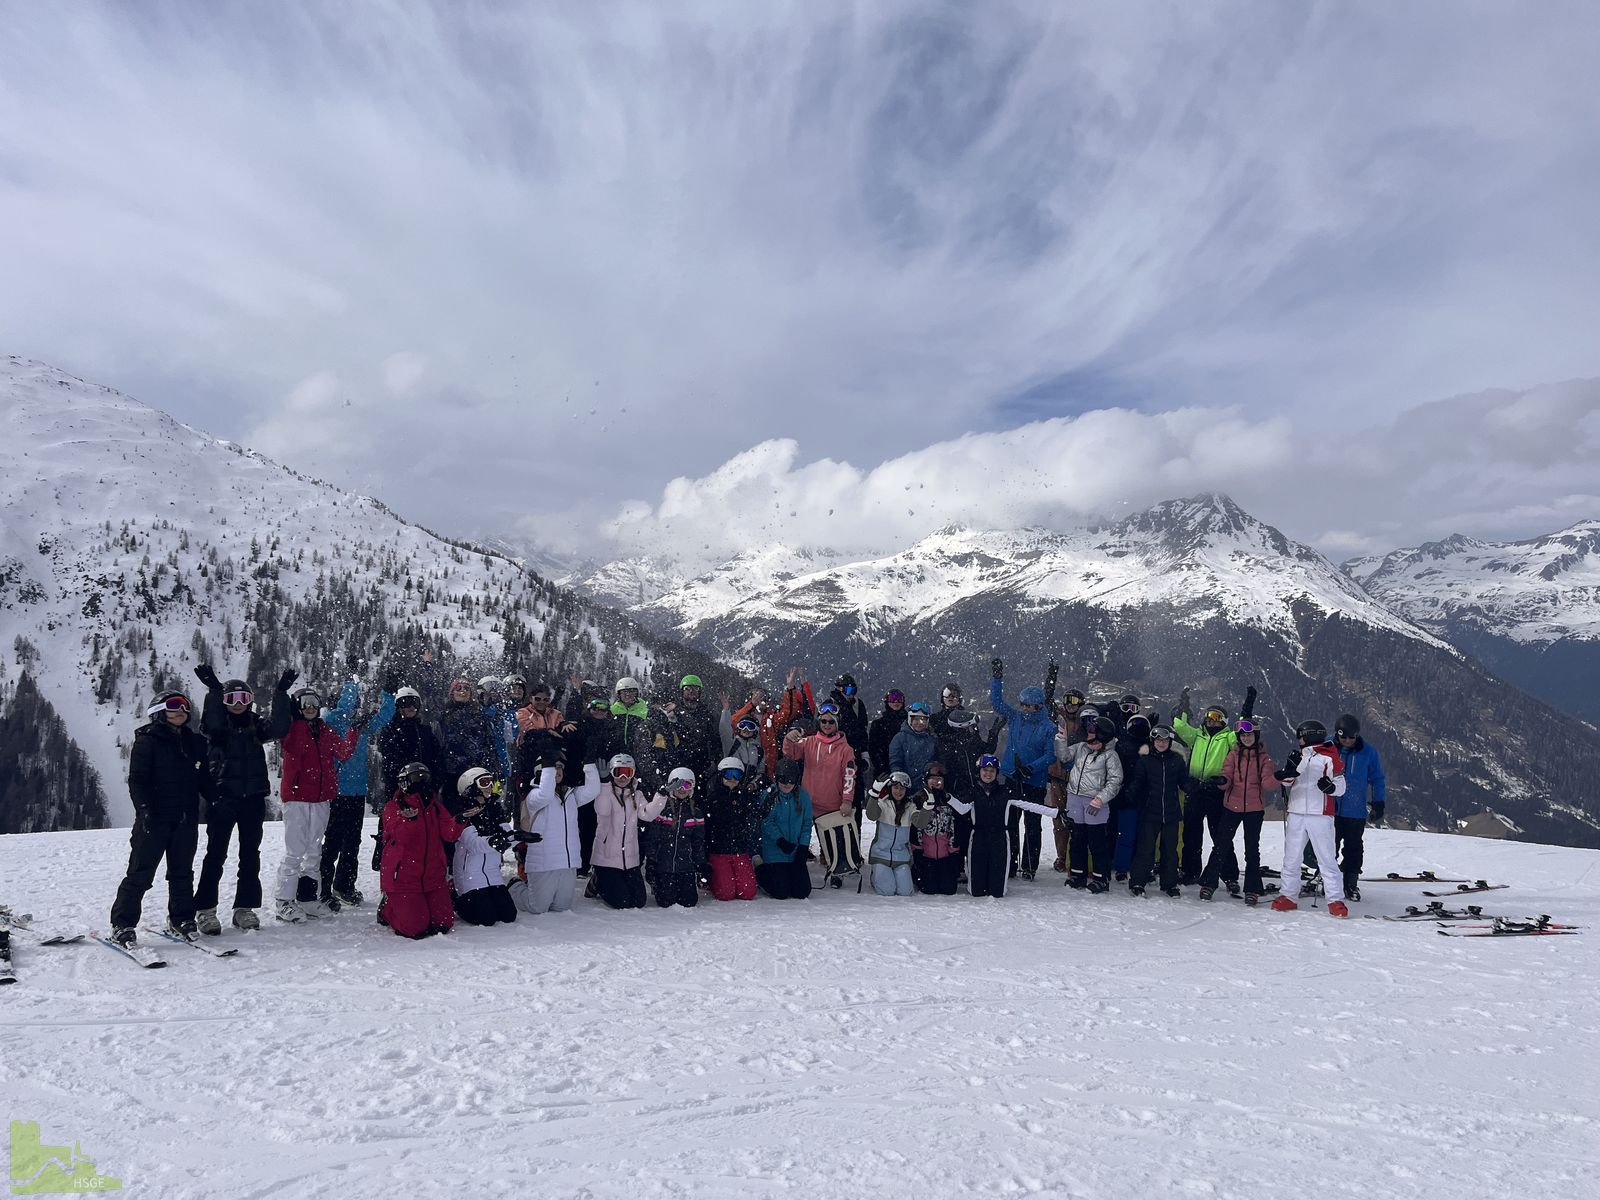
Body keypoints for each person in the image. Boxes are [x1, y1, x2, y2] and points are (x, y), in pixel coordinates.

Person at [108, 691, 216, 948]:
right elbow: (138, 780)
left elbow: (204, 780)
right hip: (154, 819)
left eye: (184, 707)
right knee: (140, 874)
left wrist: (217, 799)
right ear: (158, 711)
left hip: (185, 818)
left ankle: (181, 919)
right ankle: (122, 924)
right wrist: (144, 809)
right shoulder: (148, 741)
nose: (180, 711)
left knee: (181, 873)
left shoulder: (195, 742)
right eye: (173, 707)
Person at [192, 665, 293, 934]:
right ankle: (206, 910)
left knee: (250, 855)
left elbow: (281, 727)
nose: (238, 705)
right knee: (216, 855)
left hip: (252, 799)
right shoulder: (216, 728)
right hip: (223, 799)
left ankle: (244, 909)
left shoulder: (256, 726)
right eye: (231, 699)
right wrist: (214, 690)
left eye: (244, 700)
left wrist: (281, 692)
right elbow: (212, 720)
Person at [275, 688, 358, 922]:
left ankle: (308, 899)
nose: (310, 707)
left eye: (314, 703)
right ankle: (284, 901)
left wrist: (354, 730)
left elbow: (342, 753)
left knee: (314, 851)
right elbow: (290, 742)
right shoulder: (291, 730)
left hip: (321, 798)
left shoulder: (325, 730)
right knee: (295, 851)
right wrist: (289, 711)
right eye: (305, 703)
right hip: (297, 798)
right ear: (298, 707)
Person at [320, 675, 396, 908]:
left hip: (356, 793)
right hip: (337, 793)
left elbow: (384, 717)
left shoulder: (359, 727)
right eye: (351, 703)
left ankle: (344, 886)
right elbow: (344, 709)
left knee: (352, 842)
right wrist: (352, 682)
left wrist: (388, 695)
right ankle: (323, 889)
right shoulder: (333, 720)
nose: (353, 708)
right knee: (332, 842)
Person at [1171, 686, 1257, 884]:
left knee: (1220, 835)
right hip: (1195, 790)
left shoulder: (1227, 737)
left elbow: (1242, 730)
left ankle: (1229, 875)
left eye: (1217, 717)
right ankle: (1190, 871)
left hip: (1216, 791)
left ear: (1224, 722)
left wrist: (1247, 708)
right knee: (1191, 834)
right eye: (1210, 716)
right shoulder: (1197, 736)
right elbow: (1180, 727)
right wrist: (1184, 706)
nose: (1212, 720)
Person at [509, 740, 602, 915]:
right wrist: (547, 763)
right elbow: (545, 793)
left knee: (562, 908)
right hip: (544, 863)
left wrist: (589, 764)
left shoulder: (570, 795)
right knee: (538, 907)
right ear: (541, 771)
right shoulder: (534, 796)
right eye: (552, 767)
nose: (557, 771)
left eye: (559, 767)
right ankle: (514, 886)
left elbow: (593, 790)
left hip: (568, 862)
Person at [948, 754, 1056, 898]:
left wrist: (1056, 812)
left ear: (997, 773)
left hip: (999, 839)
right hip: (978, 838)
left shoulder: (1005, 792)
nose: (988, 774)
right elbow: (962, 808)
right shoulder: (973, 791)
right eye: (985, 770)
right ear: (979, 771)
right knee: (976, 891)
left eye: (992, 771)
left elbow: (1031, 805)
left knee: (997, 892)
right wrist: (947, 798)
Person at [377, 762, 465, 939]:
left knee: (443, 923)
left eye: (424, 778)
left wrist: (460, 820)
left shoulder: (434, 807)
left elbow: (448, 834)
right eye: (417, 778)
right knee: (414, 928)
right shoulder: (393, 807)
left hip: (432, 876)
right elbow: (401, 836)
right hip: (404, 879)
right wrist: (410, 821)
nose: (422, 783)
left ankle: (420, 904)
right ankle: (388, 908)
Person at [1271, 720, 1349, 917]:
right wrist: (1286, 774)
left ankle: (1335, 899)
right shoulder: (1299, 756)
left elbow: (1341, 784)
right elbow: (1289, 782)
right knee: (1292, 856)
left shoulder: (1330, 757)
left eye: (1300, 736)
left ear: (1309, 735)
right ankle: (1288, 895)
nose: (1298, 739)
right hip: (1296, 811)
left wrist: (1331, 788)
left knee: (1326, 857)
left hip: (1320, 813)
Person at [988, 659, 1056, 880]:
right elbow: (996, 702)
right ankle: (1010, 861)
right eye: (1023, 704)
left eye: (1029, 705)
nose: (1025, 709)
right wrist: (997, 678)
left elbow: (1050, 755)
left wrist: (1030, 768)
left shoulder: (1048, 727)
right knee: (1009, 824)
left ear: (1038, 706)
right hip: (1011, 778)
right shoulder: (1016, 717)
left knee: (1033, 825)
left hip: (1033, 782)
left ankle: (1029, 866)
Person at [1200, 719, 1276, 903]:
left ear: (1255, 736)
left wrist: (1279, 777)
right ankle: (1209, 884)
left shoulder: (1264, 758)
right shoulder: (1233, 755)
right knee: (1221, 845)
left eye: (1249, 735)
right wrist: (1220, 782)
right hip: (1231, 806)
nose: (1246, 738)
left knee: (1251, 850)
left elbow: (1268, 784)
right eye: (1243, 735)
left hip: (1254, 809)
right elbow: (1227, 777)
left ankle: (1252, 888)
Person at [782, 703, 859, 885]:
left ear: (837, 723)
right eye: (823, 721)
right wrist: (788, 738)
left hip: (832, 803)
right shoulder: (809, 742)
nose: (826, 724)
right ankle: (795, 870)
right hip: (808, 801)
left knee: (834, 842)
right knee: (801, 837)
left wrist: (847, 800)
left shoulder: (845, 749)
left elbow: (849, 777)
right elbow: (790, 754)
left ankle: (836, 872)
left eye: (831, 722)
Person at [1056, 716, 1124, 892]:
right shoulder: (1081, 748)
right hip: (1075, 798)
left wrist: (1100, 799)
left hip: (1095, 803)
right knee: (1077, 839)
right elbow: (1063, 756)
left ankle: (1101, 878)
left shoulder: (1110, 756)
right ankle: (1078, 875)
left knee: (1097, 842)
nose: (1089, 738)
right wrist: (1061, 737)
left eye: (1093, 735)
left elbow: (1115, 781)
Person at [448, 768, 520, 927]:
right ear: (470, 786)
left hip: (492, 873)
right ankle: (456, 897)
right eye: (484, 782)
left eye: (491, 782)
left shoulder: (494, 809)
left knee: (508, 915)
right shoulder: (464, 812)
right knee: (485, 918)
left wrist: (519, 836)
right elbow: (474, 845)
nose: (489, 786)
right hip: (470, 876)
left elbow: (507, 835)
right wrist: (496, 840)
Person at [586, 754, 659, 910]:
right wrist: (604, 783)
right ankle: (598, 880)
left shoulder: (637, 795)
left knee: (639, 901)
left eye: (628, 772)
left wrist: (662, 796)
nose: (623, 777)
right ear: (611, 773)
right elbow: (602, 810)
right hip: (606, 858)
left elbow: (647, 814)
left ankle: (614, 882)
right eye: (619, 772)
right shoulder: (604, 791)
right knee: (622, 902)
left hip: (629, 860)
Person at [1126, 725, 1187, 897]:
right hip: (1150, 811)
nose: (1161, 743)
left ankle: (1170, 884)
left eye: (1165, 740)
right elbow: (1138, 781)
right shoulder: (1145, 760)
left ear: (1170, 742)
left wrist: (1195, 787)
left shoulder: (1176, 760)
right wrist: (1129, 793)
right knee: (1145, 849)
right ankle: (1138, 882)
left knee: (1170, 850)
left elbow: (1183, 782)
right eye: (1158, 740)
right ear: (1153, 741)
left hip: (1171, 812)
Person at [1332, 714, 1386, 901]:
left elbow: (1377, 779)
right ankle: (1329, 881)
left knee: (1354, 848)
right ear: (1337, 734)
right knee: (1329, 847)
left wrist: (1379, 802)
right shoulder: (1327, 748)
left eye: (1351, 737)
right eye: (1343, 737)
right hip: (1331, 808)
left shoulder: (1368, 752)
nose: (1347, 741)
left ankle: (1350, 882)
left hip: (1355, 810)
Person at [644, 767, 706, 908]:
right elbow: (653, 839)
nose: (682, 789)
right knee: (666, 901)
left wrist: (701, 864)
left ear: (692, 787)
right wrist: (651, 863)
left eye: (687, 785)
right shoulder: (662, 811)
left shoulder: (696, 813)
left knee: (689, 901)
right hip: (664, 866)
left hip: (686, 867)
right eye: (678, 785)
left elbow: (698, 842)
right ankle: (659, 885)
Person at [705, 757, 763, 901]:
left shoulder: (744, 798)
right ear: (721, 775)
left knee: (748, 892)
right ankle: (714, 879)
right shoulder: (712, 799)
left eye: (736, 775)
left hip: (739, 850)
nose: (732, 779)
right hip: (719, 851)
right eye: (728, 774)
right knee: (726, 893)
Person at [755, 758, 813, 900]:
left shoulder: (803, 796)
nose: (787, 784)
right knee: (780, 892)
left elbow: (807, 823)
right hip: (775, 850)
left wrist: (803, 847)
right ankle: (759, 868)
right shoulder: (769, 795)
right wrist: (780, 840)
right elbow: (767, 821)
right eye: (783, 779)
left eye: (791, 780)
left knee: (802, 892)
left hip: (795, 849)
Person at [439, 676, 511, 787]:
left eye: (466, 688)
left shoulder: (479, 715)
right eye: (458, 688)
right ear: (452, 693)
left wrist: (496, 769)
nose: (463, 691)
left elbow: (489, 744)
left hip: (478, 770)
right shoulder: (443, 715)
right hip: (452, 772)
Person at [1109, 712, 1151, 881]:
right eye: (1135, 725)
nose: (1138, 729)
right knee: (1126, 835)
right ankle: (1121, 866)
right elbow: (1117, 772)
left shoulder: (1152, 746)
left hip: (1146, 798)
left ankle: (1141, 867)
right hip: (1126, 797)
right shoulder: (1122, 746)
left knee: (1144, 837)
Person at [1047, 688, 1085, 874]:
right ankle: (1062, 857)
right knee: (1059, 819)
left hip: (1079, 778)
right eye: (1068, 700)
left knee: (1078, 819)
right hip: (1058, 775)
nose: (1071, 703)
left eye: (1075, 700)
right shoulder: (1057, 719)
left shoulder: (1085, 721)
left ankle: (1076, 857)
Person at [865, 772, 923, 896]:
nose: (898, 791)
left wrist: (927, 808)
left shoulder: (910, 807)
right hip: (881, 855)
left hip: (901, 857)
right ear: (890, 788)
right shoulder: (883, 804)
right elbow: (871, 815)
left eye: (902, 788)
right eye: (895, 788)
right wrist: (874, 793)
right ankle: (875, 875)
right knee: (887, 891)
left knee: (906, 891)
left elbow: (920, 823)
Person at [912, 763, 962, 896]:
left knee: (949, 889)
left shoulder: (949, 799)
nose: (935, 782)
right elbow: (915, 828)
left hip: (946, 855)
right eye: (932, 778)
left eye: (939, 779)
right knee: (928, 888)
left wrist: (954, 853)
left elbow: (954, 827)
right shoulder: (918, 799)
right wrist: (918, 853)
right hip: (926, 855)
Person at [889, 701, 940, 791]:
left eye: (923, 720)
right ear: (910, 720)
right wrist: (900, 780)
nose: (919, 723)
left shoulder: (932, 739)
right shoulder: (900, 738)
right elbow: (895, 761)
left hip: (927, 788)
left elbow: (937, 761)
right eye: (916, 719)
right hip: (905, 787)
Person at [867, 689, 908, 776]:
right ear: (887, 702)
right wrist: (881, 767)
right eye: (892, 698)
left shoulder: (910, 723)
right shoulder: (878, 724)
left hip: (907, 768)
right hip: (883, 769)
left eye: (899, 699)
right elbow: (873, 749)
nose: (896, 702)